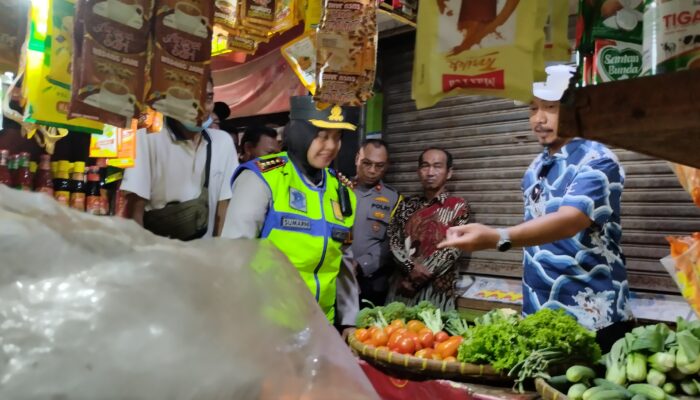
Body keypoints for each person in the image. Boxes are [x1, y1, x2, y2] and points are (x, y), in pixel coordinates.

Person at [438, 65, 633, 351]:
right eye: (532, 109)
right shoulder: (535, 168)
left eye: (550, 108)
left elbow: (571, 219)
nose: (538, 119)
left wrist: (497, 237)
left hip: (594, 317)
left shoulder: (598, 159)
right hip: (540, 311)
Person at [221, 96, 359, 323]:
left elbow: (343, 262)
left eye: (337, 137)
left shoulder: (342, 190)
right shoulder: (263, 178)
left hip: (320, 329)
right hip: (266, 326)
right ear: (300, 134)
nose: (331, 147)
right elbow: (233, 256)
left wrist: (349, 321)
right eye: (322, 137)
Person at [121, 77, 238, 240]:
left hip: (205, 259)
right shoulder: (148, 138)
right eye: (192, 99)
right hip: (161, 257)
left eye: (209, 98)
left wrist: (219, 256)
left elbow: (223, 208)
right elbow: (135, 210)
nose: (202, 107)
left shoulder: (223, 142)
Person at [385, 147, 470, 311]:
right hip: (402, 289)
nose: (430, 172)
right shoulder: (406, 205)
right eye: (425, 166)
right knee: (395, 332)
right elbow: (393, 240)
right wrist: (410, 268)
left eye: (437, 166)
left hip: (437, 291)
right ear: (419, 171)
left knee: (435, 335)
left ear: (449, 173)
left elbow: (453, 249)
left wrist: (416, 278)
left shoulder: (458, 207)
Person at [351, 139, 402, 307]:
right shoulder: (337, 188)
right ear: (357, 158)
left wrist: (362, 263)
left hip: (370, 282)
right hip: (331, 274)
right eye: (367, 163)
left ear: (386, 166)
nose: (372, 171)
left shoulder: (394, 199)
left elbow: (392, 243)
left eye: (379, 166)